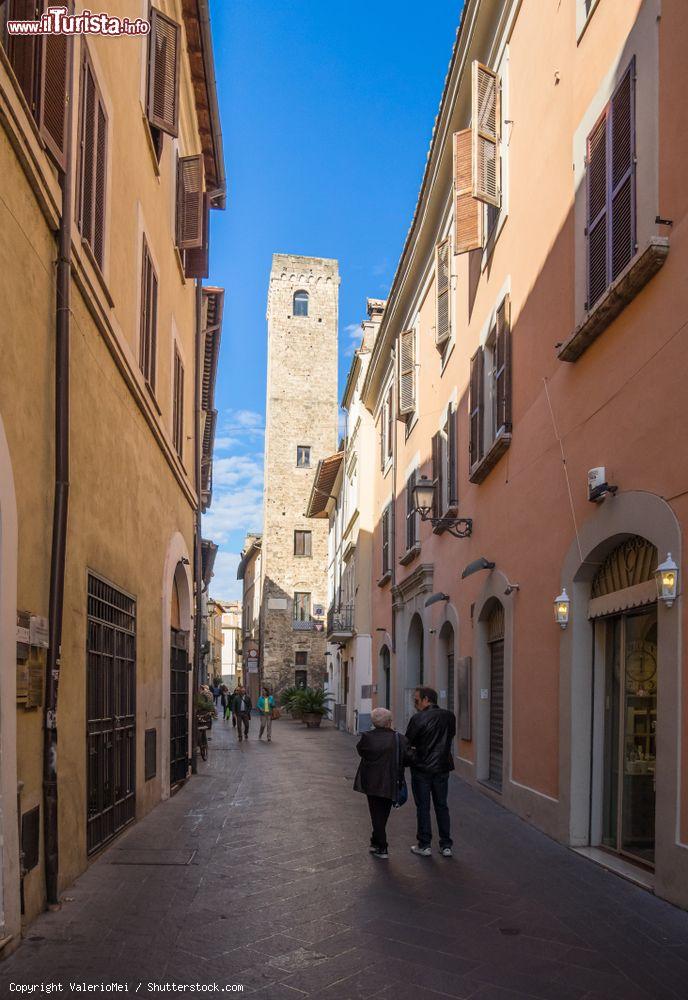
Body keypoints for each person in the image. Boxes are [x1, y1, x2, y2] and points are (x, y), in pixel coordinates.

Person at [405, 686, 456, 858]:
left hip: (422, 769)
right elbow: (450, 736)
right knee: (442, 805)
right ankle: (446, 845)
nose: (415, 703)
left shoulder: (418, 718)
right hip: (442, 768)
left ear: (426, 699)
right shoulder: (449, 716)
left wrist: (412, 756)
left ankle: (424, 844)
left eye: (417, 700)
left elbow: (408, 742)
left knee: (423, 807)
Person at [353, 707, 409, 859]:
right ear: (389, 722)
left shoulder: (367, 737)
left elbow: (361, 751)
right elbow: (408, 757)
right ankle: (376, 841)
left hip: (371, 780)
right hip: (391, 780)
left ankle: (382, 846)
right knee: (382, 813)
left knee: (375, 813)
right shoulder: (399, 738)